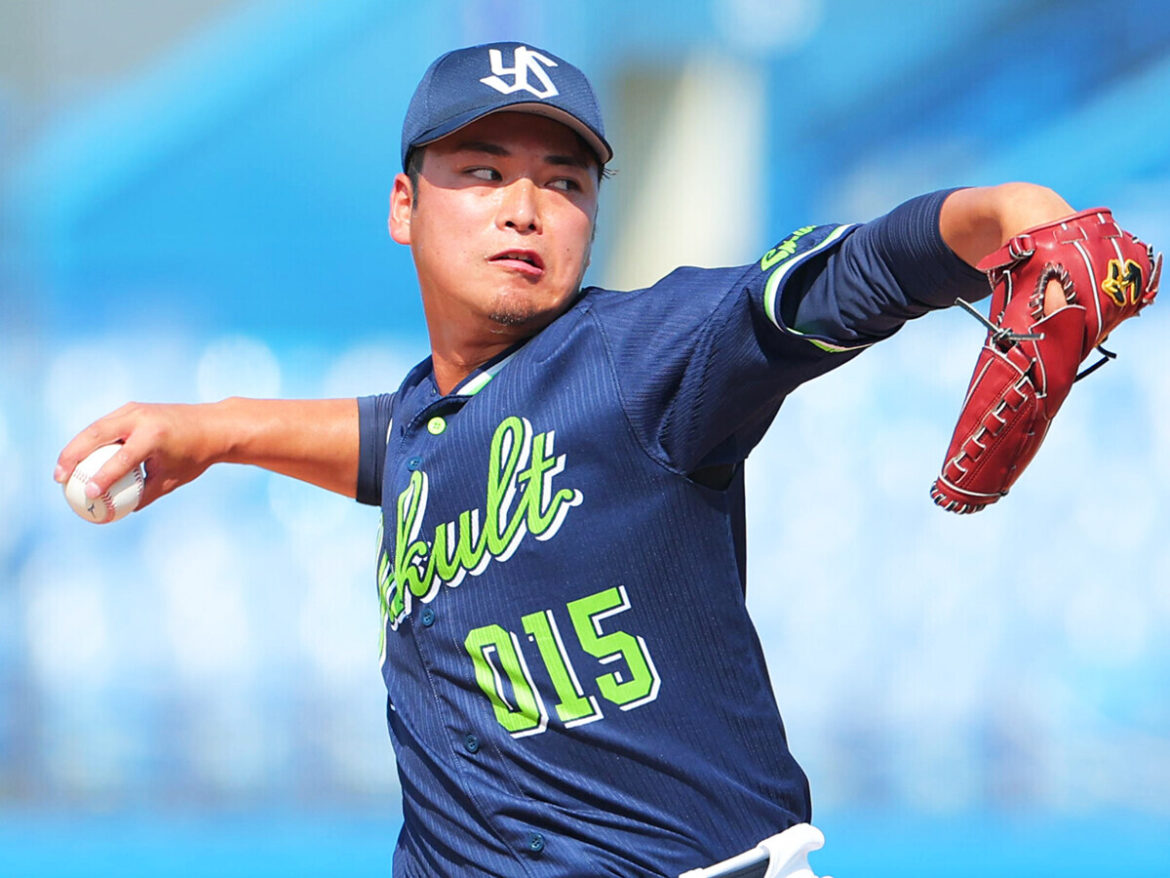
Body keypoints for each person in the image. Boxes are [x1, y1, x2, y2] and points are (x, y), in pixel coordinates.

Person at [55, 41, 1106, 878]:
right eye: (482, 172)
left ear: (592, 219)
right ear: (403, 206)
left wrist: (1002, 213)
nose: (524, 206)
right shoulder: (438, 417)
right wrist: (219, 426)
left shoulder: (647, 352)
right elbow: (401, 438)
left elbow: (845, 273)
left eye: (563, 181)